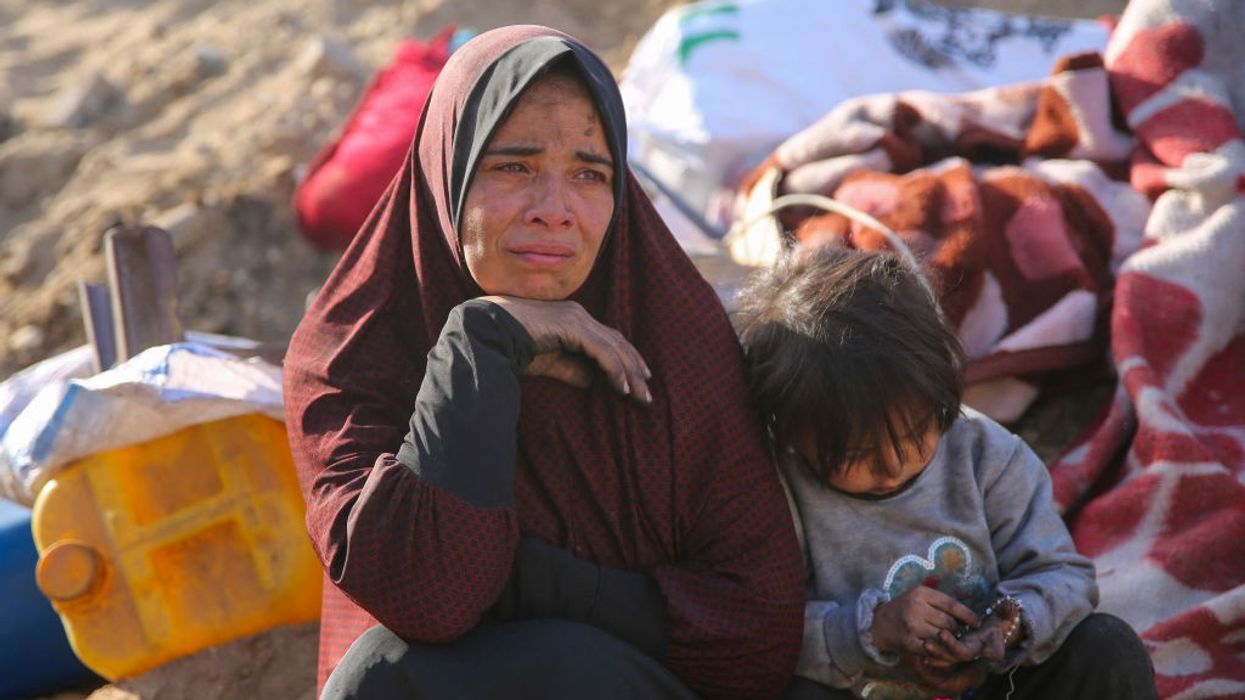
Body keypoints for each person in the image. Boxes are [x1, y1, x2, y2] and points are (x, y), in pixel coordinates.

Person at [281, 25, 806, 700]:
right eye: (514, 167)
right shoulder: (352, 352)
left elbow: (754, 637)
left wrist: (519, 581)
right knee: (384, 674)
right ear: (449, 172)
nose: (554, 212)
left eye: (589, 174)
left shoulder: (675, 341)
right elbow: (427, 597)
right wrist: (478, 347)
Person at [736, 247, 1157, 700]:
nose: (894, 466)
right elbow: (763, 633)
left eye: (918, 432)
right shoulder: (781, 493)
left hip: (998, 688)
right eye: (858, 454)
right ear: (795, 436)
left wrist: (1011, 622)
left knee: (1107, 648)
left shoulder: (987, 456)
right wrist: (873, 631)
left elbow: (1064, 576)